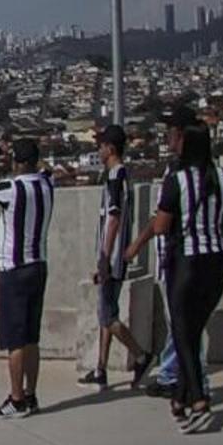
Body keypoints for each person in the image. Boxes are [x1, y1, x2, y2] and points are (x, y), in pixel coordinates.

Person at [151, 116, 223, 435]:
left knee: (184, 332)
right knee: (194, 328)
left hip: (186, 261)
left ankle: (198, 401)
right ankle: (181, 396)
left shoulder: (177, 180)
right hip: (215, 262)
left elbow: (160, 225)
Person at [0, 135, 55, 419]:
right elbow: (45, 168)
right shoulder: (46, 184)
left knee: (15, 339)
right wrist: (17, 155)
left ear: (17, 162)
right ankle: (31, 394)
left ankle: (17, 399)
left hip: (14, 270)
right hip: (38, 265)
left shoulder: (13, 188)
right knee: (31, 337)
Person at [78, 123, 151, 391]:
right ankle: (101, 368)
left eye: (101, 145)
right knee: (105, 313)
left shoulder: (115, 177)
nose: (98, 149)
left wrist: (105, 258)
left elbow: (114, 218)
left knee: (108, 316)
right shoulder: (118, 175)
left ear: (110, 148)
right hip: (114, 257)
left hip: (113, 257)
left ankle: (142, 356)